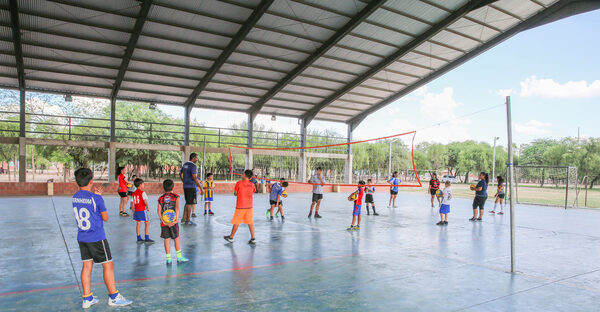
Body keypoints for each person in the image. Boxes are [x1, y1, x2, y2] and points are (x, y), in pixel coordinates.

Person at [72, 168, 132, 308]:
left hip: (82, 237)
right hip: (97, 237)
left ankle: (87, 298)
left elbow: (86, 201)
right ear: (91, 181)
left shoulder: (75, 196)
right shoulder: (96, 198)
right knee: (108, 265)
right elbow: (105, 218)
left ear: (77, 182)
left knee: (87, 266)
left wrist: (95, 197)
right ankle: (114, 296)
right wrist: (98, 197)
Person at [158, 179, 189, 265]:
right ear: (173, 187)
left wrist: (163, 220)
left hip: (164, 222)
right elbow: (177, 208)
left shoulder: (160, 198)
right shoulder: (175, 197)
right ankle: (179, 257)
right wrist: (176, 219)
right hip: (173, 221)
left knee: (166, 239)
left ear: (163, 188)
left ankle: (168, 259)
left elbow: (158, 210)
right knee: (176, 238)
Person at [224, 170, 256, 244]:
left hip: (241, 206)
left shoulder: (239, 183)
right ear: (251, 178)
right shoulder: (252, 185)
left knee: (236, 222)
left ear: (244, 175)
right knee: (250, 222)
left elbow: (235, 193)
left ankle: (231, 237)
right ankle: (253, 238)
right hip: (249, 206)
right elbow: (253, 191)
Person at [179, 153, 204, 225]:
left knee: (187, 202)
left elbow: (180, 174)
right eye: (196, 158)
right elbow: (194, 177)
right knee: (190, 203)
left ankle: (183, 219)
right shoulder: (193, 166)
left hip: (185, 186)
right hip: (191, 187)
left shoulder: (185, 164)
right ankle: (187, 220)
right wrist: (200, 188)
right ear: (193, 158)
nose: (197, 159)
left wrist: (183, 181)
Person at [130, 178, 154, 243]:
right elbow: (145, 201)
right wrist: (147, 207)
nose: (144, 185)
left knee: (138, 223)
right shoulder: (142, 193)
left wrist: (133, 211)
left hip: (136, 211)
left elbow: (131, 203)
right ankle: (147, 237)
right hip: (142, 210)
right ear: (140, 185)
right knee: (147, 223)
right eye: (143, 184)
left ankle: (138, 237)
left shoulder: (134, 193)